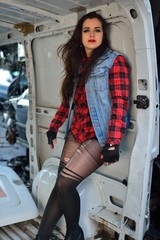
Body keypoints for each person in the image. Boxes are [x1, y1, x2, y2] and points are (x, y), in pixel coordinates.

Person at [35, 11, 130, 240]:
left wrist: (113, 141)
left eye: (97, 30)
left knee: (66, 184)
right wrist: (53, 127)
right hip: (76, 132)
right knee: (60, 185)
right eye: (87, 30)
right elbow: (68, 103)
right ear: (80, 35)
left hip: (99, 135)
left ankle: (74, 232)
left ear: (103, 34)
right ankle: (42, 237)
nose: (92, 34)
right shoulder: (77, 65)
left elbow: (120, 103)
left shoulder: (114, 61)